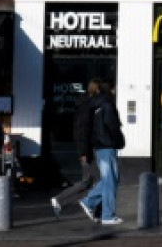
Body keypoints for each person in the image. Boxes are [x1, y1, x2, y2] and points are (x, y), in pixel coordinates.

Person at [51, 82, 102, 220]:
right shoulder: (87, 108)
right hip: (88, 150)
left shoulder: (84, 107)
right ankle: (89, 207)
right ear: (95, 91)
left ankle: (61, 200)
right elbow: (82, 131)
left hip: (87, 149)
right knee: (94, 181)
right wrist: (84, 152)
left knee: (90, 181)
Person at [79, 80, 125, 226]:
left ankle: (90, 203)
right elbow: (113, 126)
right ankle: (107, 215)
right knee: (111, 180)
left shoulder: (92, 105)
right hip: (107, 146)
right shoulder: (107, 104)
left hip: (99, 147)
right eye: (114, 89)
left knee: (109, 180)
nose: (115, 91)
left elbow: (85, 128)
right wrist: (119, 141)